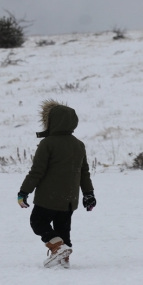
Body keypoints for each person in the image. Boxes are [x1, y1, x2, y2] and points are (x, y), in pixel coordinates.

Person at [17, 99, 96, 268]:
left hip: (48, 197)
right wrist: (89, 193)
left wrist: (24, 192)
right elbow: (84, 173)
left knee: (38, 222)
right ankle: (63, 260)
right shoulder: (79, 144)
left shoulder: (48, 143)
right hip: (69, 199)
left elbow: (37, 171)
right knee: (63, 229)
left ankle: (57, 246)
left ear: (51, 122)